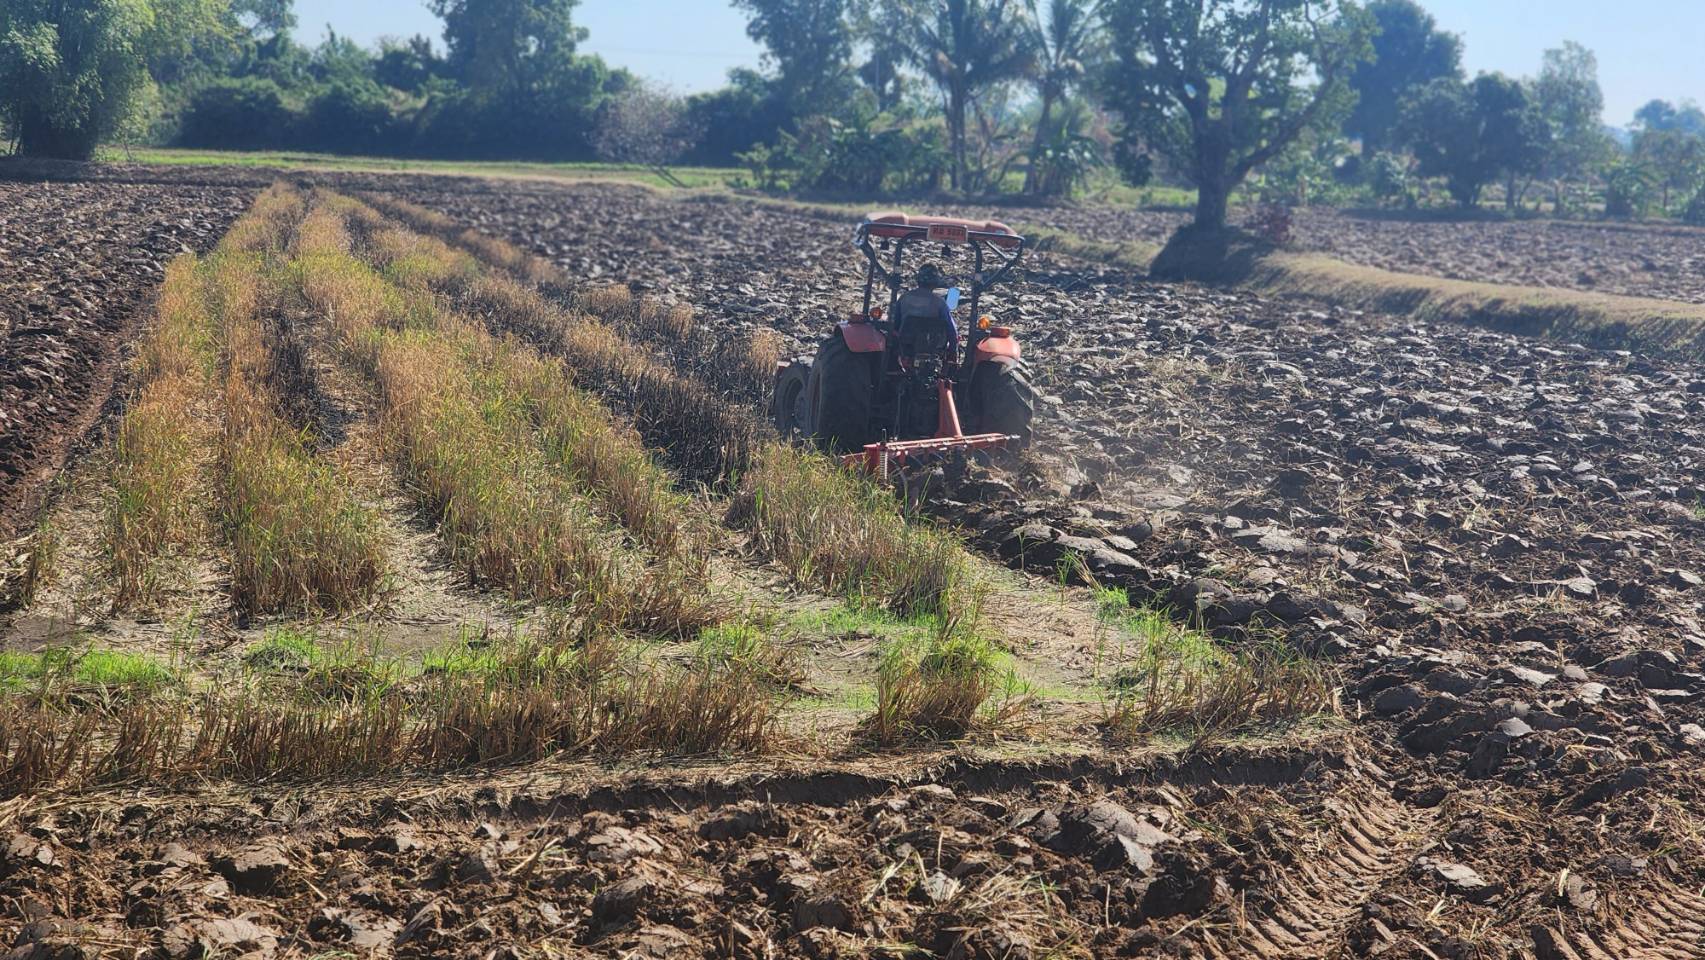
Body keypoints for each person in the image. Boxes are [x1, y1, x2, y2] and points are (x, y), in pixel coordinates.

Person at [894, 263, 957, 362]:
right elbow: (951, 329)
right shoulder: (940, 303)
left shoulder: (904, 298)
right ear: (935, 282)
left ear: (918, 280)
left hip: (906, 345)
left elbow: (895, 323)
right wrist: (953, 350)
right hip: (933, 347)